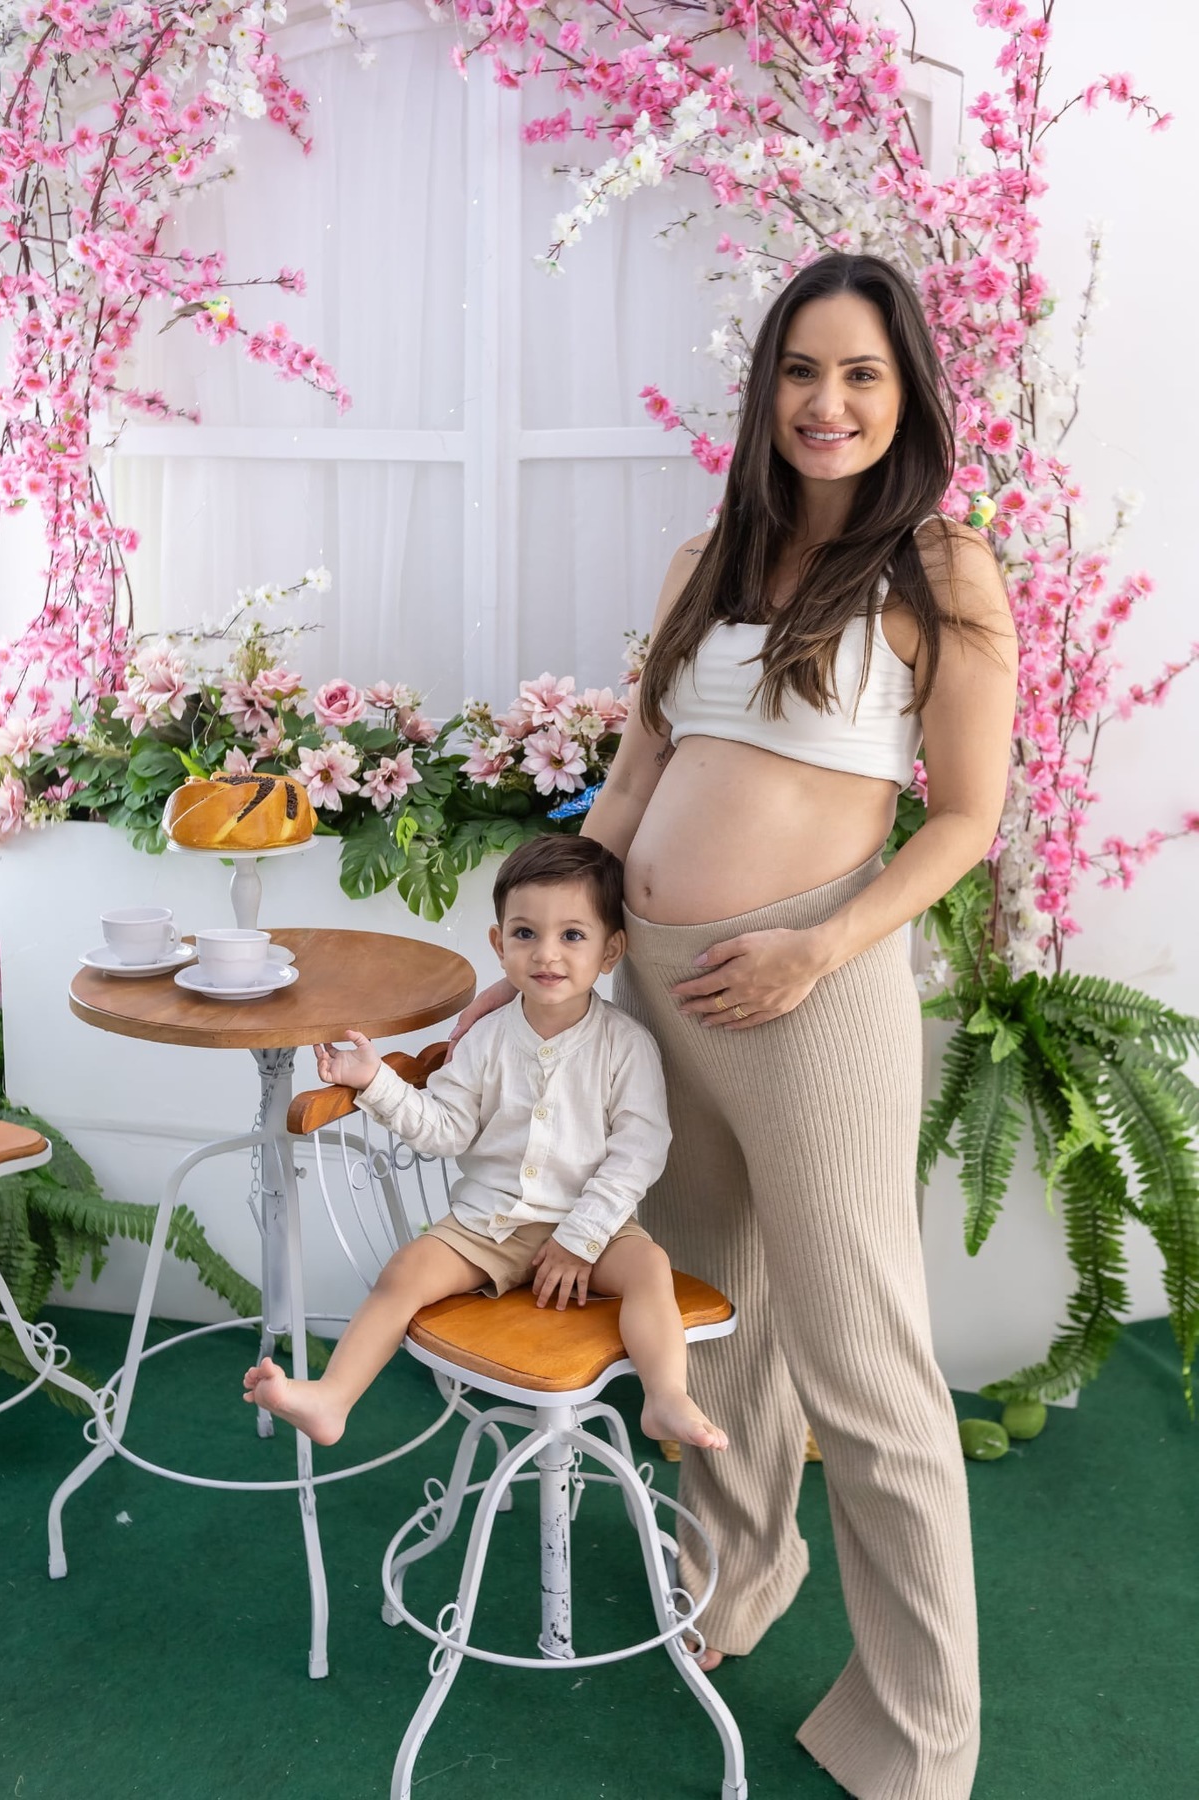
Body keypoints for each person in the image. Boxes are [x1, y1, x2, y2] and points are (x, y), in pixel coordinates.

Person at [448, 253, 1017, 1799]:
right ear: (764, 390)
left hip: (812, 997)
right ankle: (733, 1581)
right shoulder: (707, 560)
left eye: (860, 376)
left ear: (904, 400)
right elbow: (632, 786)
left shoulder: (943, 575)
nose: (825, 404)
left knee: (870, 1373)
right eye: (799, 372)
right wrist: (547, 955)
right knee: (714, 1311)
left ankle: (919, 1738)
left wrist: (821, 946)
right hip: (660, 984)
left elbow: (963, 818)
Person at [243, 834, 728, 1456]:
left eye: (572, 936)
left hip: (592, 1229)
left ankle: (664, 1398)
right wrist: (375, 1083)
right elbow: (446, 1128)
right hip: (487, 1226)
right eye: (525, 934)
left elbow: (639, 1152)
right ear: (499, 944)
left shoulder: (625, 1045)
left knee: (650, 1267)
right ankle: (331, 1398)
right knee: (406, 1271)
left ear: (611, 952)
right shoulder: (485, 1039)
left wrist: (580, 1239)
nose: (546, 954)